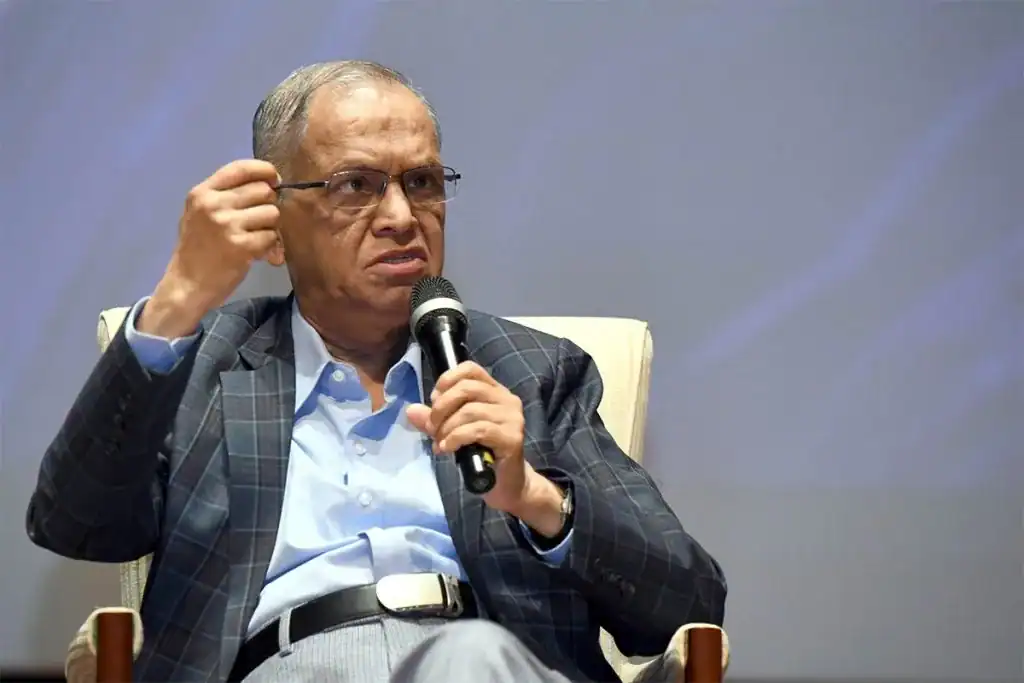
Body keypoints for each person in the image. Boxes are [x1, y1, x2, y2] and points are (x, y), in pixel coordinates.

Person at [26, 60, 726, 683]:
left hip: (486, 664)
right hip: (291, 665)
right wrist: (177, 301)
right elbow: (76, 522)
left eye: (422, 182)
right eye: (356, 185)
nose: (401, 216)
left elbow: (686, 605)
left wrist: (537, 498)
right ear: (275, 224)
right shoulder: (203, 361)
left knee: (471, 659)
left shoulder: (529, 372)